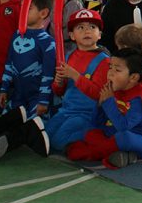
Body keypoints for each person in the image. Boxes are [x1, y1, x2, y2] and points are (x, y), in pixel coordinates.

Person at [66, 48, 142, 168]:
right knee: (90, 132)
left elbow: (124, 126)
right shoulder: (115, 89)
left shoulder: (139, 98)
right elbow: (96, 122)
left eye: (117, 70)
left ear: (133, 78)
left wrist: (108, 102)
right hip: (114, 134)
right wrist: (100, 104)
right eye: (110, 67)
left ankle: (90, 153)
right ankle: (123, 156)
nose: (110, 73)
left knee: (124, 138)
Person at [47, 9, 110, 152]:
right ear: (72, 36)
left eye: (92, 27)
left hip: (88, 114)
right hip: (66, 110)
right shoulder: (69, 56)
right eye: (80, 27)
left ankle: (98, 137)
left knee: (58, 141)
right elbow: (59, 91)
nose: (87, 31)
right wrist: (58, 82)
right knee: (47, 134)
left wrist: (75, 75)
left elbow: (99, 94)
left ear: (99, 35)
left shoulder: (105, 61)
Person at [0, 0, 56, 119]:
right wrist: (4, 88)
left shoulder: (48, 42)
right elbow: (9, 63)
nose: (22, 11)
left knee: (32, 131)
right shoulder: (16, 35)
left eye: (28, 8)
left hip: (37, 99)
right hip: (17, 96)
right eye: (22, 6)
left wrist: (43, 100)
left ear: (43, 13)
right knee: (5, 126)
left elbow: (48, 74)